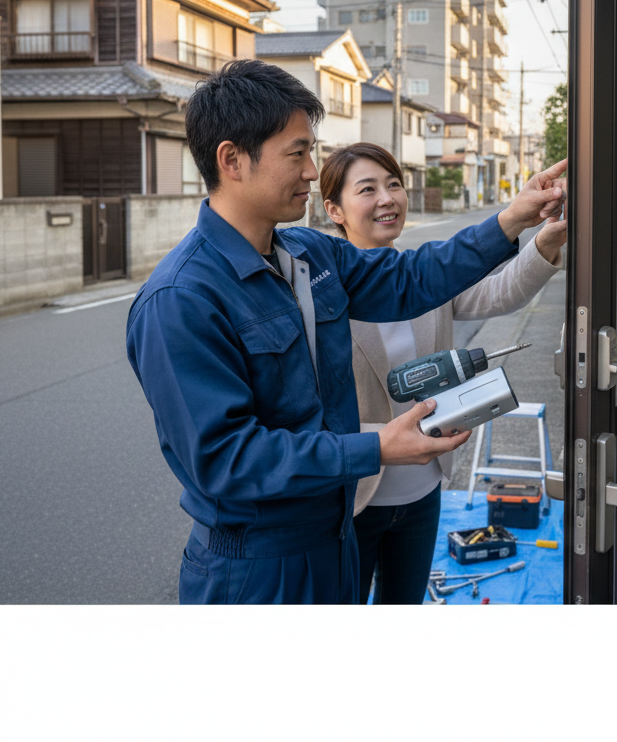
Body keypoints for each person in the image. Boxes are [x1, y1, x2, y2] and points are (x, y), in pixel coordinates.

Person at [125, 60, 566, 604]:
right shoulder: (181, 299)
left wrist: (514, 217)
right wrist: (375, 445)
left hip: (333, 534)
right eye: (298, 153)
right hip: (258, 566)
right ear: (232, 160)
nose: (312, 171)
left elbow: (413, 277)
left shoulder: (309, 254)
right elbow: (226, 460)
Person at [318, 144, 566, 604]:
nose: (387, 198)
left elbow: (498, 293)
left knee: (404, 602)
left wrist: (545, 243)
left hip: (423, 489)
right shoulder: (320, 295)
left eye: (393, 184)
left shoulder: (423, 274)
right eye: (367, 189)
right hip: (355, 497)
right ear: (334, 210)